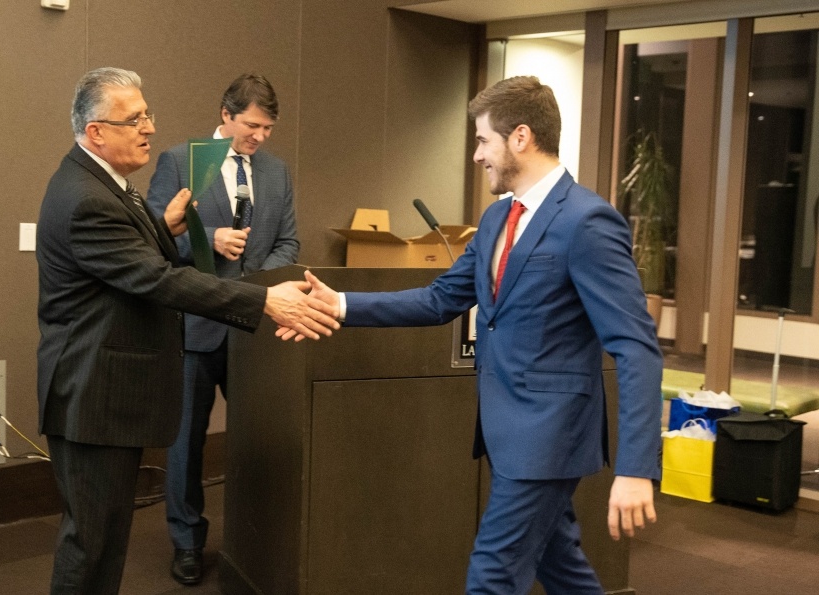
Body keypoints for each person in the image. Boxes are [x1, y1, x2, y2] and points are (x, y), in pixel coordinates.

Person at [281, 76, 663, 594]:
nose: (478, 155)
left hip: (549, 435)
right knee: (561, 565)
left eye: (483, 140)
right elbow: (440, 299)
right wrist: (342, 304)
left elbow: (635, 346)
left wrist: (638, 468)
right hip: (507, 431)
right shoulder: (496, 217)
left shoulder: (587, 221)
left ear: (521, 138)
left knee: (492, 574)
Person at [35, 67, 336, 595]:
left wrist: (166, 226)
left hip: (105, 392)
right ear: (97, 131)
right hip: (91, 391)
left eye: (147, 114)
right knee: (90, 542)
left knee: (106, 537)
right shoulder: (86, 197)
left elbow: (140, 253)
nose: (149, 127)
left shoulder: (109, 185)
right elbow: (153, 277)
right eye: (134, 119)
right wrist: (264, 298)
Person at [145, 73, 298, 585]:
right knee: (186, 444)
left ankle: (255, 539)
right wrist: (212, 238)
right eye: (252, 125)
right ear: (227, 114)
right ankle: (187, 542)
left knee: (262, 439)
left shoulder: (276, 172)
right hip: (194, 327)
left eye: (269, 127)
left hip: (255, 326)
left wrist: (252, 285)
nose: (260, 136)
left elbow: (289, 244)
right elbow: (153, 237)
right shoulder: (181, 161)